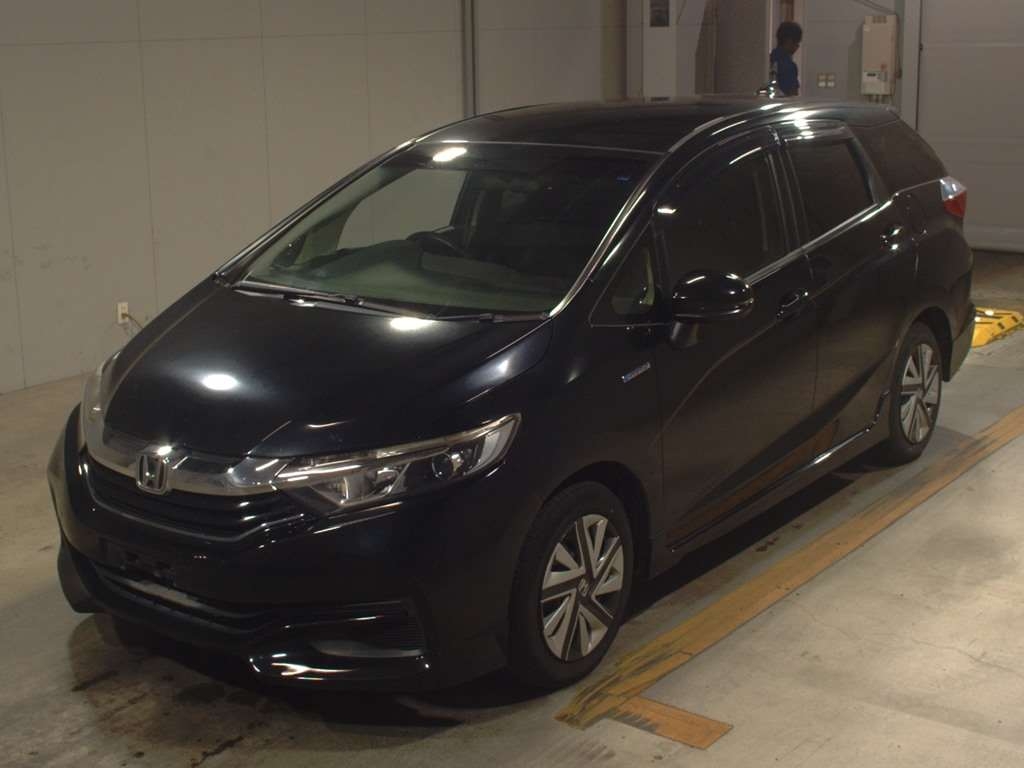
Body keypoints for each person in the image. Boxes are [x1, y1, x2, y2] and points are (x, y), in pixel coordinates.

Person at [770, 21, 803, 97]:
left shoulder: (768, 60)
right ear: (789, 41)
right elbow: (793, 95)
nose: (797, 47)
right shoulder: (789, 66)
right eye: (797, 43)